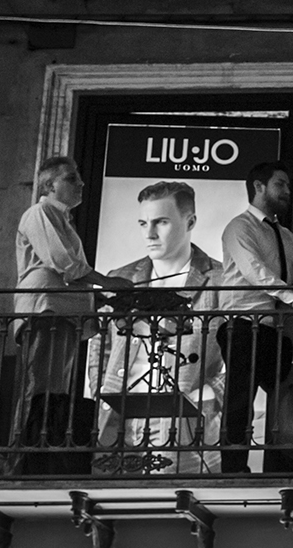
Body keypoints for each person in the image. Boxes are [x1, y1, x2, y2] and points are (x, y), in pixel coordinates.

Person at [11, 155, 133, 474]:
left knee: (56, 391)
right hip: (46, 310)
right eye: (71, 178)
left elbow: (72, 273)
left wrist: (104, 300)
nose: (80, 183)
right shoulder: (39, 213)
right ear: (50, 185)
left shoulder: (63, 220)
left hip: (63, 313)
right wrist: (107, 283)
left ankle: (41, 457)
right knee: (39, 387)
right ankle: (19, 461)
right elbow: (63, 263)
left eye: (78, 177)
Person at [95, 181, 225, 475]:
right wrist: (100, 392)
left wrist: (207, 395)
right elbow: (99, 346)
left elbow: (242, 353)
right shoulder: (122, 277)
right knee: (112, 511)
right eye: (143, 223)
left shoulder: (220, 280)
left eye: (161, 222)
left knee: (185, 510)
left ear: (190, 221)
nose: (149, 233)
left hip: (188, 426)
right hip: (118, 422)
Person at [217, 161, 293, 473]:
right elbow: (256, 272)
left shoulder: (285, 235)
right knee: (240, 399)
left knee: (287, 395)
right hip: (244, 325)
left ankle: (284, 461)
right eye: (281, 184)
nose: (288, 192)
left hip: (278, 330)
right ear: (258, 187)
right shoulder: (239, 228)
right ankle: (233, 469)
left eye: (289, 186)